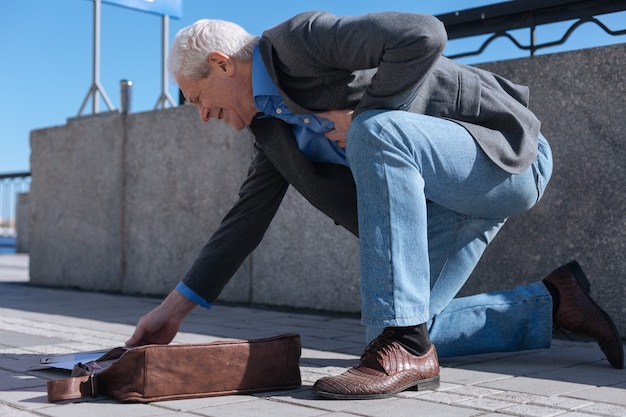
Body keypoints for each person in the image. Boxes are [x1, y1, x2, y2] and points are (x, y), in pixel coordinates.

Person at [127, 11, 624, 399]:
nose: (202, 114)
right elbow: (244, 222)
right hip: (451, 206)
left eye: (197, 97)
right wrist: (172, 312)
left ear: (220, 63)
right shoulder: (270, 131)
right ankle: (555, 303)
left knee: (375, 131)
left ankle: (406, 347)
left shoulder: (299, 43)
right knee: (399, 325)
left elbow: (424, 34)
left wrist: (366, 115)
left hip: (505, 156)